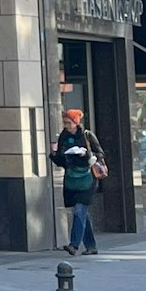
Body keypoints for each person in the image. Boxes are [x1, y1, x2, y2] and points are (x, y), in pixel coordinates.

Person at [50, 109, 104, 256]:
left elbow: (100, 153)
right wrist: (54, 155)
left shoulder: (87, 135)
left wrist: (87, 155)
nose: (66, 125)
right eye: (65, 123)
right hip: (72, 178)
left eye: (69, 123)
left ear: (76, 122)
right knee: (82, 214)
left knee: (79, 211)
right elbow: (61, 160)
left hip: (87, 178)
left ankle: (74, 245)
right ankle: (91, 246)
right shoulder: (64, 136)